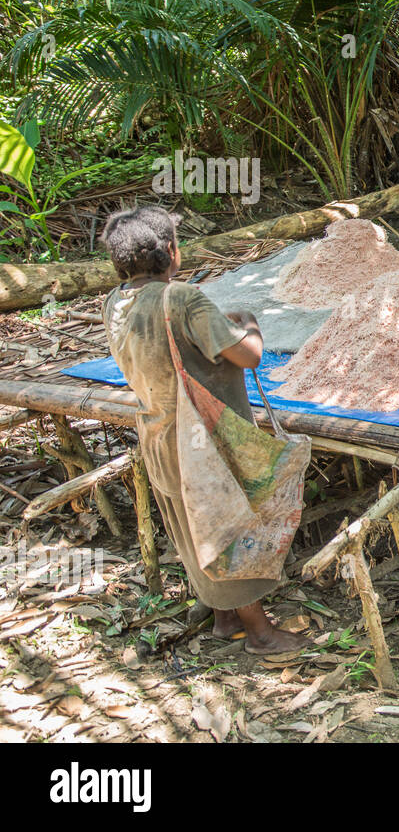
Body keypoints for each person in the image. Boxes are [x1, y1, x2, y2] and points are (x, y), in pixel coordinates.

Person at [101, 206, 309, 655]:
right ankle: (261, 633)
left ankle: (224, 620)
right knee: (229, 528)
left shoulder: (115, 302)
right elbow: (249, 356)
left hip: (159, 436)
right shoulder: (180, 299)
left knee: (197, 531)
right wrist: (249, 322)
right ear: (170, 252)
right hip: (206, 442)